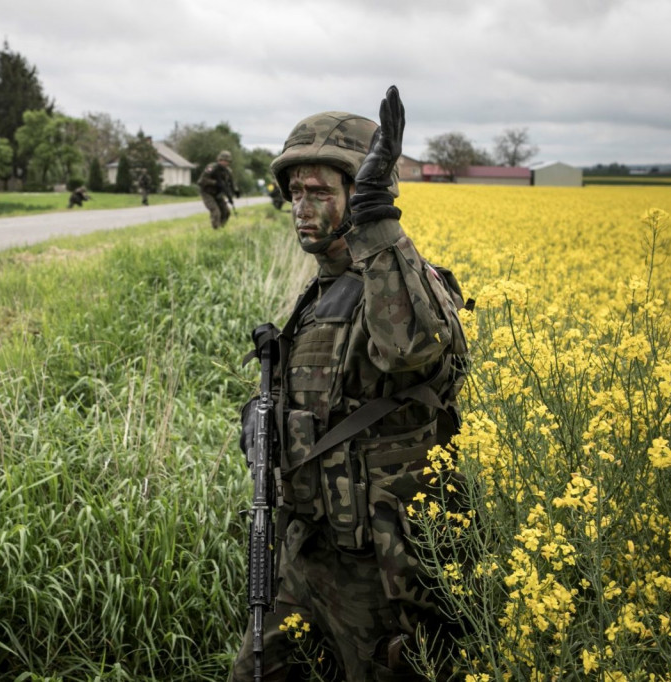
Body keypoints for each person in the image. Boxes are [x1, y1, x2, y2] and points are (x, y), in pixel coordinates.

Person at [232, 86, 469, 681]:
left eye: (321, 192)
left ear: (360, 195)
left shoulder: (403, 284)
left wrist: (376, 219)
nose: (302, 207)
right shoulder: (322, 290)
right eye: (296, 192)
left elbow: (417, 349)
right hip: (308, 551)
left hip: (379, 574)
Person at [198, 150, 239, 229]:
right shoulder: (211, 168)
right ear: (219, 160)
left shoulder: (228, 171)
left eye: (227, 161)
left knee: (226, 212)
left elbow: (231, 182)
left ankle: (221, 228)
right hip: (207, 192)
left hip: (218, 194)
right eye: (223, 160)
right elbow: (201, 181)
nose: (225, 163)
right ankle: (216, 230)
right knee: (216, 212)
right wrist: (215, 183)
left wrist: (235, 191)